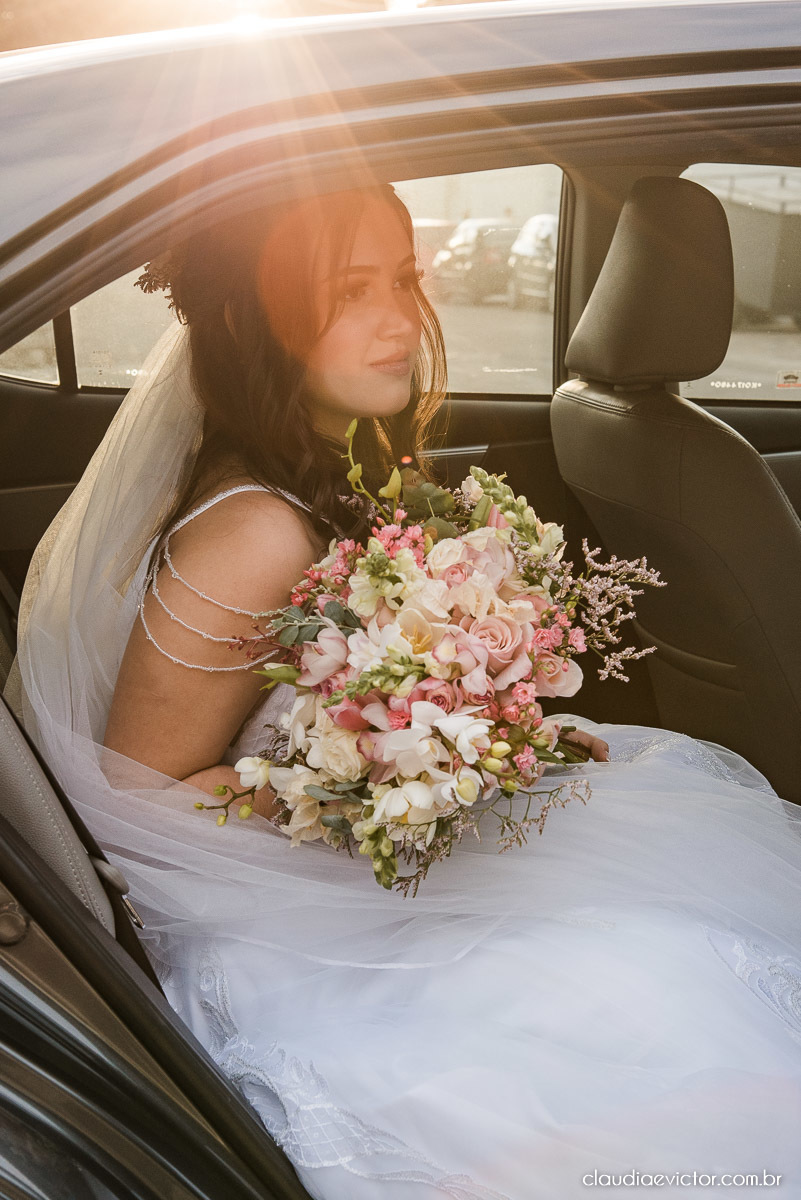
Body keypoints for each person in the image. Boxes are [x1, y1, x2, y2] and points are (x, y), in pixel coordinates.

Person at [6, 183, 801, 1200]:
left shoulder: (340, 470)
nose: (397, 319)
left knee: (679, 938)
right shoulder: (253, 532)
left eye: (402, 279)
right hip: (285, 927)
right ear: (255, 321)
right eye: (350, 292)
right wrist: (359, 785)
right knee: (650, 996)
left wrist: (496, 741)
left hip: (369, 871)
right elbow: (132, 799)